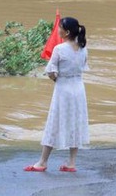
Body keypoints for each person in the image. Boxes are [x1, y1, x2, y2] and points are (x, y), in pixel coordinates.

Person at [25, 17, 90, 172]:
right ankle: (72, 162)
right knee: (76, 122)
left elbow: (50, 71)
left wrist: (56, 79)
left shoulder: (59, 49)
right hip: (79, 88)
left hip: (63, 88)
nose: (58, 30)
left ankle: (42, 162)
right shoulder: (83, 48)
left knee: (54, 122)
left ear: (66, 32)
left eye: (60, 28)